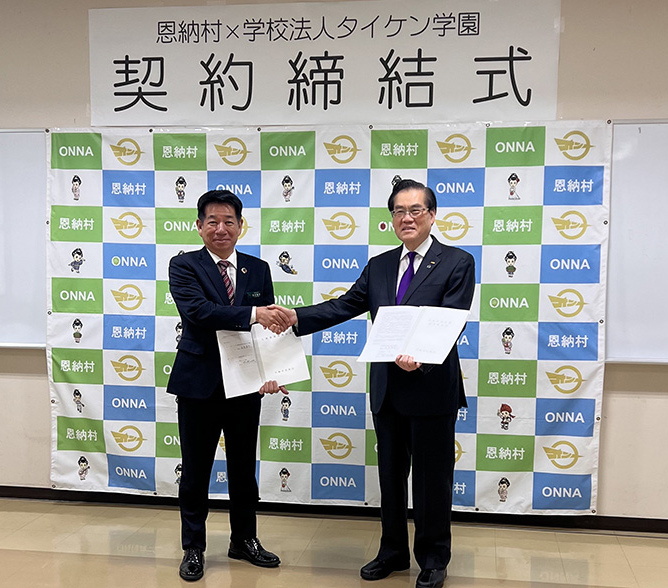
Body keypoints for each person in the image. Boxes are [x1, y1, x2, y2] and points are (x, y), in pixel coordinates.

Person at [274, 179, 475, 588]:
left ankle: (433, 558)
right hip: (388, 389)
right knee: (390, 478)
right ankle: (393, 551)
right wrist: (298, 317)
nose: (407, 218)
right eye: (399, 211)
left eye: (415, 210)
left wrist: (420, 358)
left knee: (432, 482)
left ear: (432, 215)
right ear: (391, 219)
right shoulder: (380, 265)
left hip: (431, 388)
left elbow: (451, 319)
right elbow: (346, 304)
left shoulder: (458, 262)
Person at [167, 189, 290, 582]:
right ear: (199, 226)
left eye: (229, 221)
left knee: (242, 468)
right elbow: (199, 312)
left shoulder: (258, 269)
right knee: (196, 471)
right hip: (198, 384)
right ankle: (193, 547)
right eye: (213, 221)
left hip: (246, 385)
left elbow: (268, 330)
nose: (221, 229)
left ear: (240, 226)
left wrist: (274, 372)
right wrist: (253, 312)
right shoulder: (184, 265)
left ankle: (244, 539)